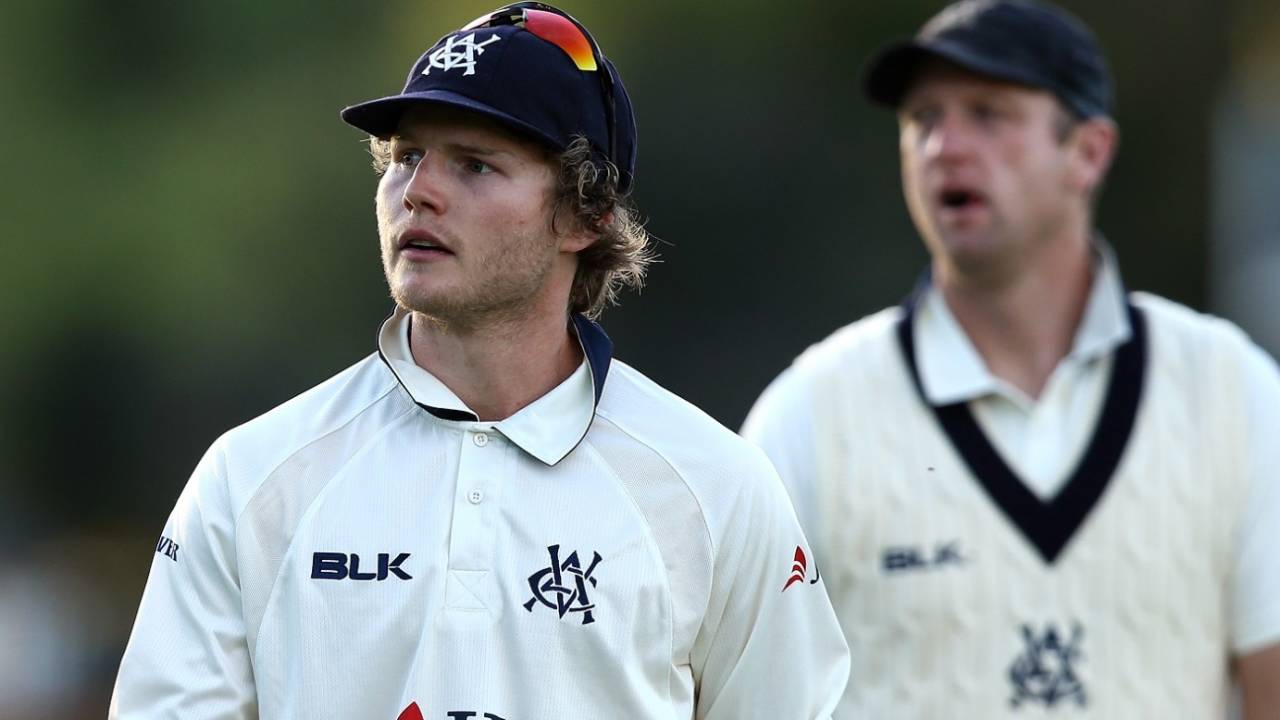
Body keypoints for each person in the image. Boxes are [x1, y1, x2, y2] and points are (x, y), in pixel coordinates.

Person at [110, 4, 850, 718]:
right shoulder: (251, 478)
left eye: (474, 165)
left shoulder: (716, 488)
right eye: (405, 158)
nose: (418, 193)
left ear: (586, 216)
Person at [742, 0, 1280, 717]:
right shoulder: (809, 415)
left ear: (1087, 152)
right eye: (923, 119)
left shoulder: (1231, 390)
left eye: (988, 113)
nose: (945, 146)